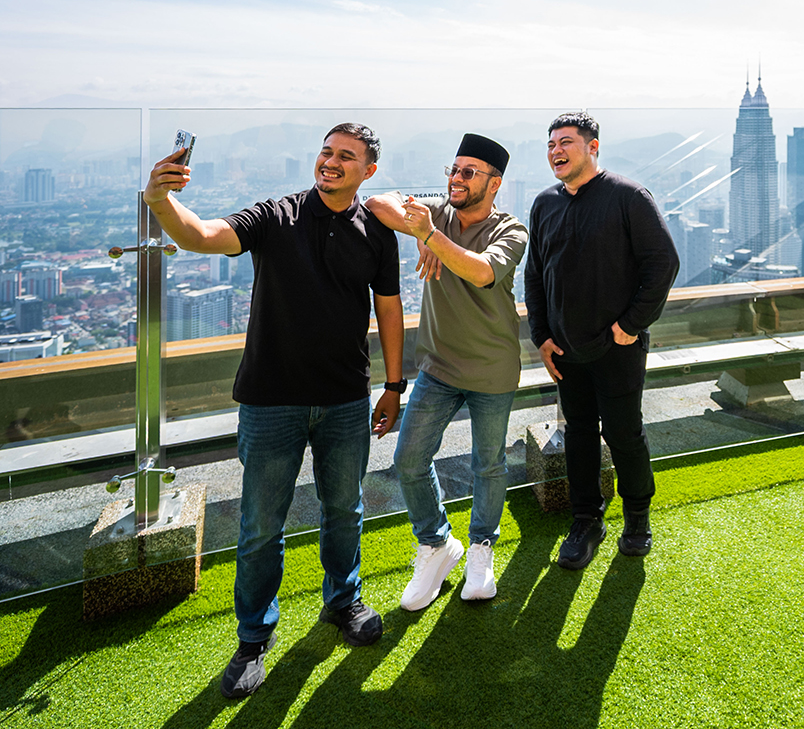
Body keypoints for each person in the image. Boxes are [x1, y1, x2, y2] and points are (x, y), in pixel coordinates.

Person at [143, 122, 403, 699]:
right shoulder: (277, 215)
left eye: (346, 157)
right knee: (262, 525)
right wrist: (162, 200)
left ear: (369, 171)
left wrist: (393, 384)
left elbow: (389, 308)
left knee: (346, 510)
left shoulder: (377, 232)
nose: (330, 163)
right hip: (270, 399)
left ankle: (343, 601)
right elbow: (203, 236)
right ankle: (253, 639)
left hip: (344, 398)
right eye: (326, 152)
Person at [365, 134, 528, 610]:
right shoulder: (437, 212)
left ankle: (481, 547)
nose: (456, 180)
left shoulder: (511, 229)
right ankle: (437, 543)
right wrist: (426, 230)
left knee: (488, 464)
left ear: (494, 183)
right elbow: (378, 201)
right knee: (409, 461)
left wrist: (430, 236)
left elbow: (481, 271)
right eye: (452, 171)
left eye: (468, 173)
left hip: (493, 370)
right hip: (436, 367)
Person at [525, 111, 679, 570]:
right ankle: (586, 520)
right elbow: (535, 276)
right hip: (566, 350)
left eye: (566, 141)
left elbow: (663, 264)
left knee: (624, 434)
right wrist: (542, 337)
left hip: (618, 348)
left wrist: (630, 326)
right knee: (579, 438)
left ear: (593, 147)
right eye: (551, 143)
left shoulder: (629, 197)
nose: (556, 150)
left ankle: (637, 518)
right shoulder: (544, 204)